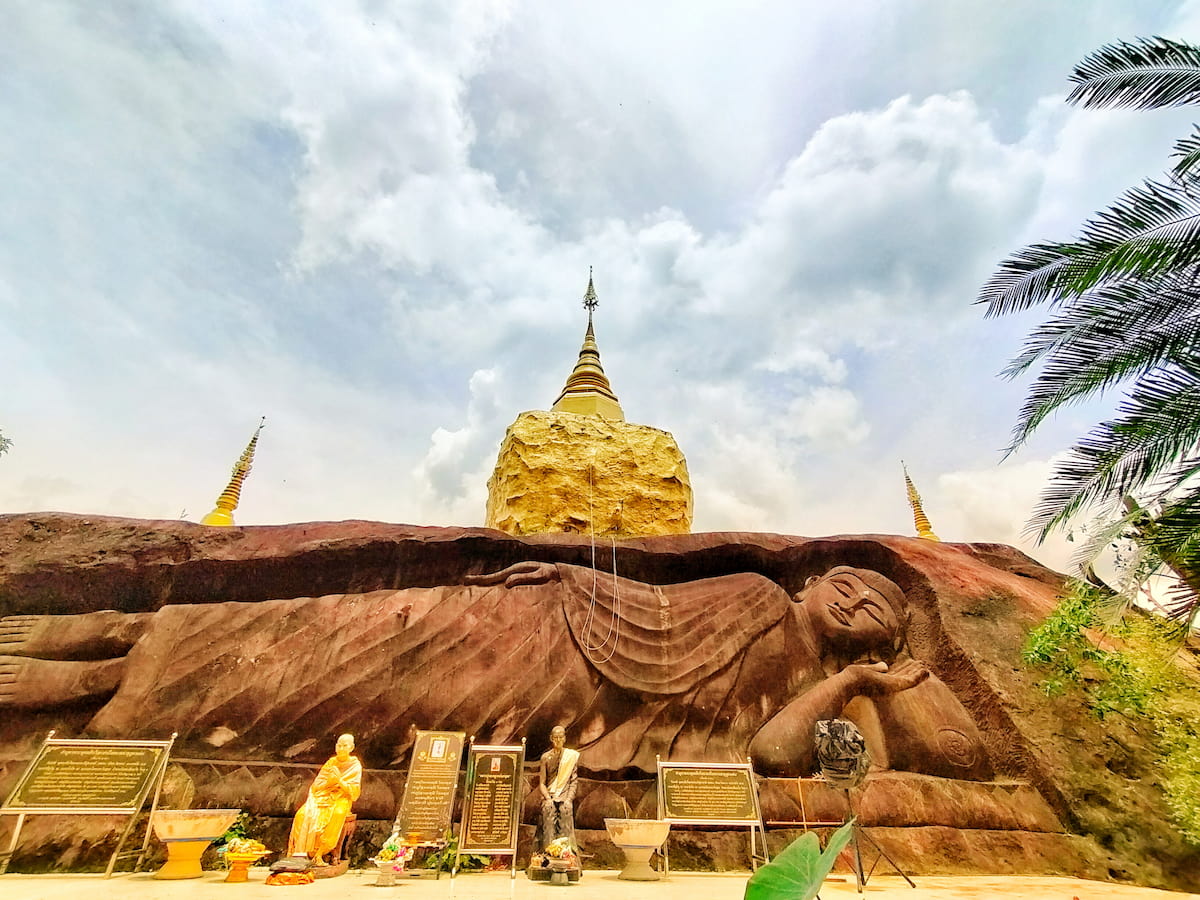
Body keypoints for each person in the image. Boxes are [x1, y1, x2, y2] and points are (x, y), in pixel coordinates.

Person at [0, 564, 991, 781]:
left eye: (870, 615)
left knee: (332, 690)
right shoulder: (757, 597)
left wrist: (869, 683)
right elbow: (640, 612)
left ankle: (100, 673)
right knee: (334, 633)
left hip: (563, 698)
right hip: (540, 633)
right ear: (817, 574)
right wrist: (562, 571)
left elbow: (774, 758)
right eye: (855, 581)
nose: (854, 594)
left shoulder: (805, 676)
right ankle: (104, 648)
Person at [287, 733, 362, 866]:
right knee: (302, 814)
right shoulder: (331, 762)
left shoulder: (355, 765)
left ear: (351, 747)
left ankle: (320, 852)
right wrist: (330, 782)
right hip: (322, 796)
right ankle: (301, 852)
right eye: (339, 745)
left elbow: (354, 792)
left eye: (345, 745)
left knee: (337, 813)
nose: (341, 748)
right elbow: (317, 786)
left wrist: (339, 780)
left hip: (341, 798)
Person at [537, 725, 578, 851]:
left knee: (566, 811)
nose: (558, 740)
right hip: (550, 795)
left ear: (564, 738)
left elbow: (574, 781)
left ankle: (567, 854)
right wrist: (548, 798)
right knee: (548, 811)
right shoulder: (545, 757)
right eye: (556, 737)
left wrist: (569, 799)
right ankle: (548, 852)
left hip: (564, 795)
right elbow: (542, 783)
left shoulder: (571, 757)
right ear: (551, 738)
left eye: (561, 737)